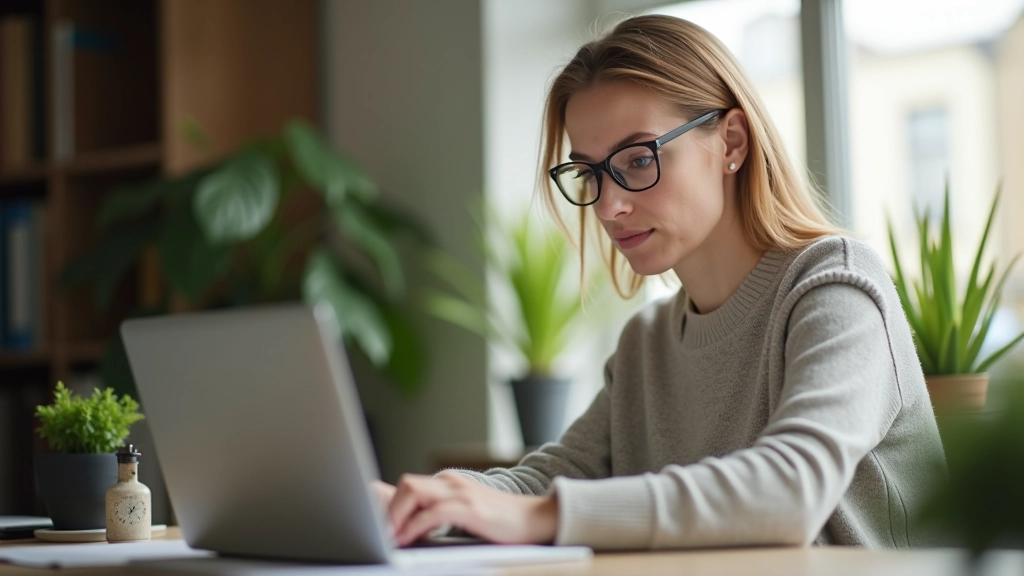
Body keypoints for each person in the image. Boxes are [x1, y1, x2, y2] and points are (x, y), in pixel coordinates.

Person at [374, 14, 946, 550]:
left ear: (732, 143)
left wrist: (540, 517)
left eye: (638, 159)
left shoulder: (835, 287)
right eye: (590, 172)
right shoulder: (646, 343)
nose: (609, 206)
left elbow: (792, 490)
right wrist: (424, 502)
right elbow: (549, 479)